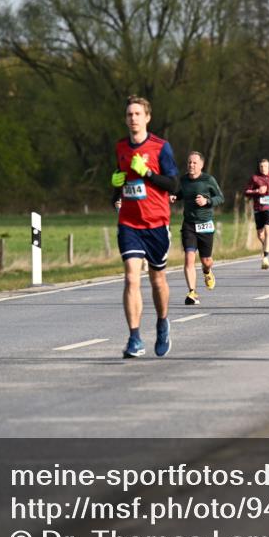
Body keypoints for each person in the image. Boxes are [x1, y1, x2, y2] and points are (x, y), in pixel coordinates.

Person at [110, 95, 179, 358]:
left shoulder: (161, 147)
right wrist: (116, 185)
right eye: (129, 114)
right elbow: (121, 186)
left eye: (137, 114)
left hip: (156, 223)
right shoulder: (120, 147)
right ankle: (135, 338)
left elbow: (174, 185)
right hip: (129, 222)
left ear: (147, 117)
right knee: (130, 278)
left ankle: (162, 324)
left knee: (157, 279)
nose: (133, 118)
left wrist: (148, 173)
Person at [174, 152, 223, 305]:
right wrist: (175, 197)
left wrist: (207, 201)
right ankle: (192, 292)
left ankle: (207, 271)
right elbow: (182, 193)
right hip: (189, 224)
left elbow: (220, 197)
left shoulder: (208, 180)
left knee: (206, 261)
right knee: (189, 258)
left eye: (194, 163)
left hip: (205, 224)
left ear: (201, 165)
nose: (191, 165)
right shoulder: (183, 180)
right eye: (189, 162)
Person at [244, 158, 269, 269]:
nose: (263, 168)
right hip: (258, 208)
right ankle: (266, 245)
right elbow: (246, 191)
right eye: (261, 166)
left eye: (265, 166)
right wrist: (256, 191)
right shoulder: (254, 178)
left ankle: (265, 258)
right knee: (260, 234)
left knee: (268, 230)